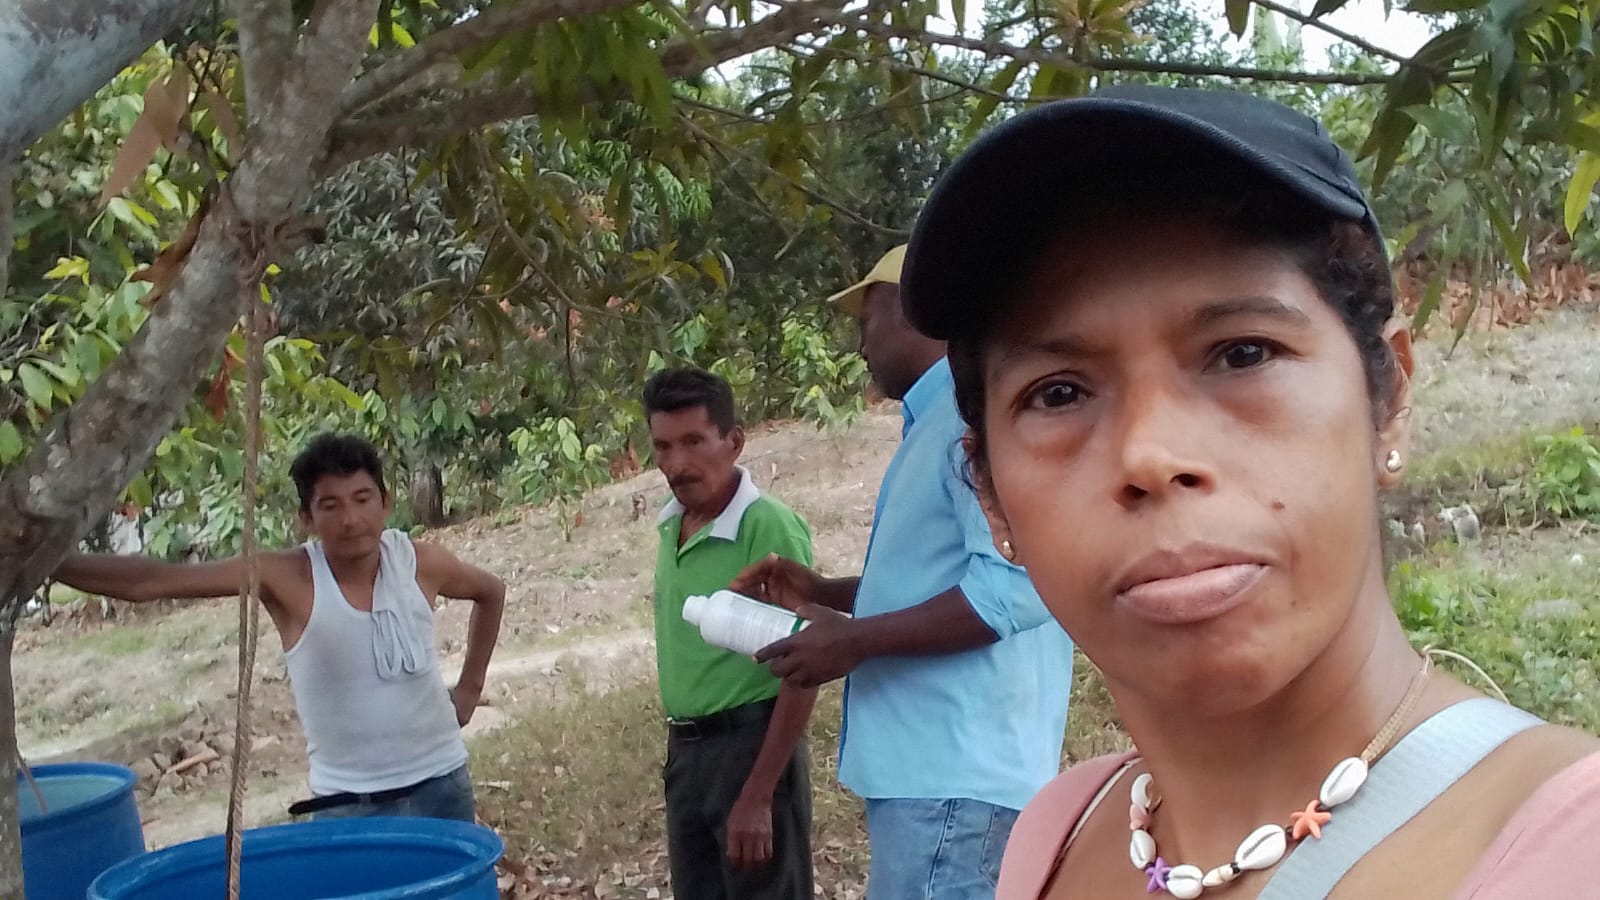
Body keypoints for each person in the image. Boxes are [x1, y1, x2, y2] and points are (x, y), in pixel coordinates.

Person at [894, 84, 1600, 899]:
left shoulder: (1569, 850)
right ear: (990, 495)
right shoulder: (1059, 831)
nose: (1150, 455)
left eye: (1243, 353)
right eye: (1058, 394)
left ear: (1389, 398)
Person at [731, 246, 1075, 898]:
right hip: (936, 781)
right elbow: (946, 584)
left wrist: (855, 640)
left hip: (955, 781)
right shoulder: (937, 422)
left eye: (868, 320)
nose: (860, 345)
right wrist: (828, 594)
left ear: (916, 310)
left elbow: (1015, 589)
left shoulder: (969, 420)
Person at [52, 433, 504, 822]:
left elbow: (491, 591)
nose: (350, 519)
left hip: (442, 782)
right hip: (349, 802)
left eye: (363, 499)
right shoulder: (288, 577)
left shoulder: (420, 562)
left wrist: (469, 688)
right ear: (307, 518)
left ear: (386, 503)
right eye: (330, 505)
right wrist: (43, 561)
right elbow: (152, 581)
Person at [644, 367, 818, 899]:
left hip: (751, 748)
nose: (676, 464)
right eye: (663, 446)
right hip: (687, 753)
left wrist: (760, 793)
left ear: (734, 442)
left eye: (693, 441)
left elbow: (806, 665)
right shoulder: (673, 523)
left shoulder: (767, 526)